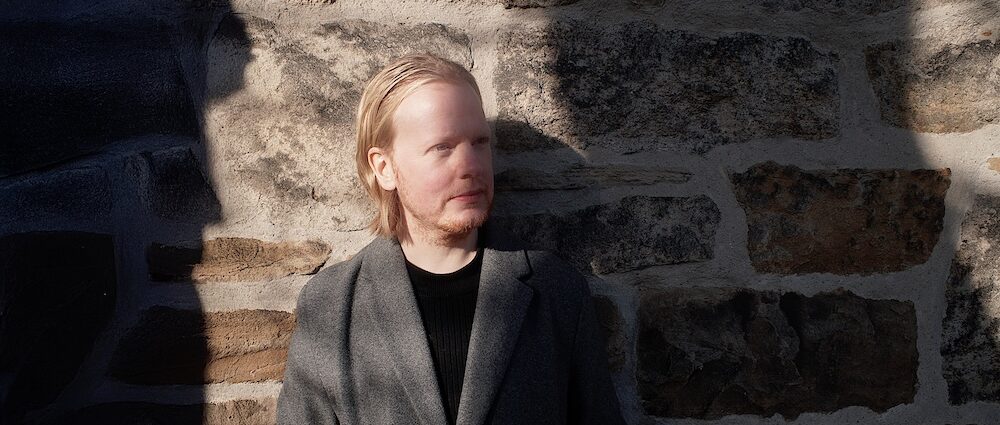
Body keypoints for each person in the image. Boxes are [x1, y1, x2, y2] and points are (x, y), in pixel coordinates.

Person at [277, 53, 625, 425]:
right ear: (384, 167)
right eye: (442, 147)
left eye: (479, 142)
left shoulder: (555, 291)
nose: (471, 166)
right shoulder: (332, 307)